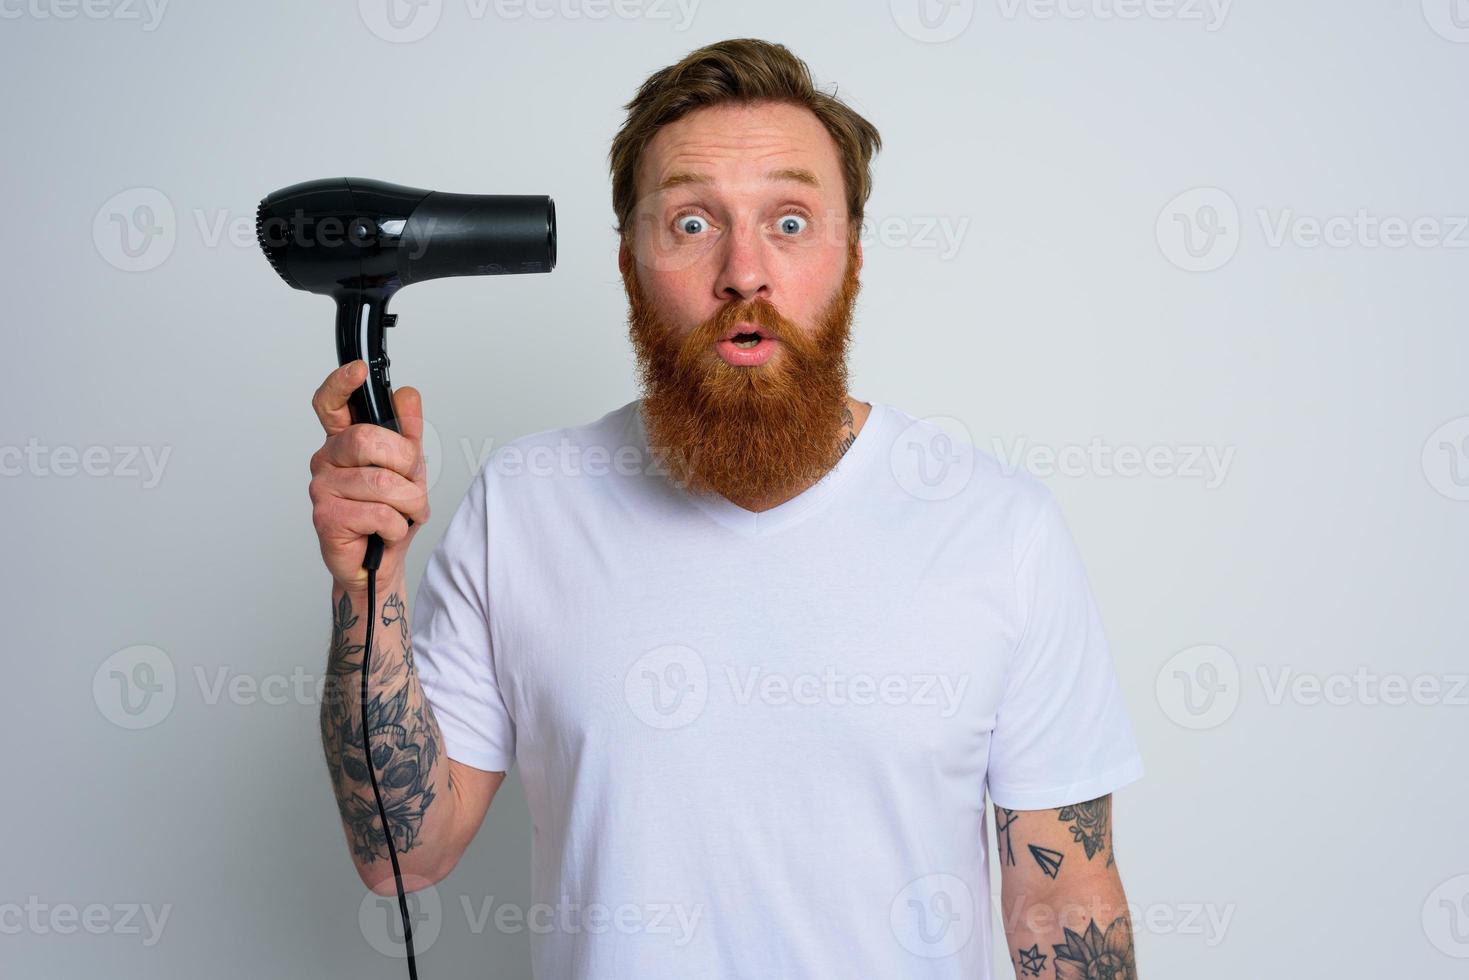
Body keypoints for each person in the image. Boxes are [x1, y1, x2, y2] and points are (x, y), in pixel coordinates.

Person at [307, 37, 1143, 980]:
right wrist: (362, 585)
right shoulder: (523, 506)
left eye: (789, 222)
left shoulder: (999, 529)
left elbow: (1061, 897)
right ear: (628, 265)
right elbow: (399, 854)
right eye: (693, 224)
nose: (745, 271)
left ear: (852, 262)